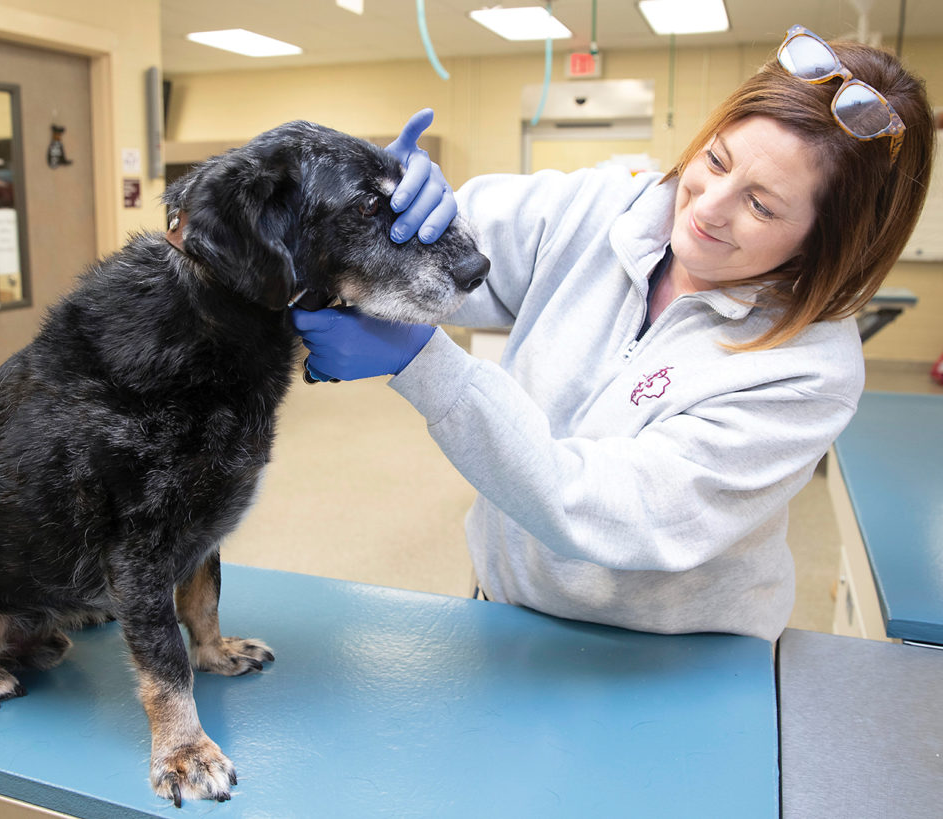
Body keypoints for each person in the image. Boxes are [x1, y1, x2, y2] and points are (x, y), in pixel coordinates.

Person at [292, 26, 935, 641]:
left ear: (828, 239)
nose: (707, 205)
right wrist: (394, 214)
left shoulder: (808, 369)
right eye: (715, 159)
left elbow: (615, 511)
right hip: (506, 611)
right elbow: (469, 258)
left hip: (668, 658)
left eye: (762, 205)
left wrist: (426, 365)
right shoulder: (602, 210)